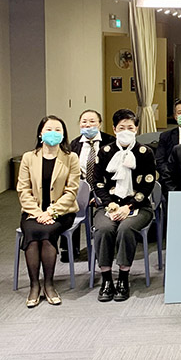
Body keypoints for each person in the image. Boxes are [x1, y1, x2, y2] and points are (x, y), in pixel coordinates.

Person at [93, 109, 157, 302]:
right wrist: (110, 204)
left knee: (125, 229)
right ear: (114, 129)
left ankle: (123, 277)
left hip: (138, 206)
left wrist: (128, 206)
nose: (126, 131)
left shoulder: (145, 152)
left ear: (136, 129)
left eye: (130, 127)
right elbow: (98, 183)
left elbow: (148, 183)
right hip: (109, 206)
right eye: (122, 128)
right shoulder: (105, 152)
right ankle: (106, 279)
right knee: (104, 229)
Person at [17, 115, 79, 307]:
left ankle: (49, 285)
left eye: (58, 130)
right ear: (40, 133)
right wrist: (38, 213)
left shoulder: (71, 158)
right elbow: (23, 190)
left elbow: (71, 191)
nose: (53, 133)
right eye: (49, 129)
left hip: (62, 212)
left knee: (46, 233)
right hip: (33, 212)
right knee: (33, 234)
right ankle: (34, 285)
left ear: (64, 134)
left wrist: (51, 212)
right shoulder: (28, 157)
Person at [65, 109, 113, 262]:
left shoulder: (110, 141)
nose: (88, 125)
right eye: (84, 121)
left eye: (92, 121)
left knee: (104, 213)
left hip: (105, 187)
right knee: (70, 205)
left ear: (100, 124)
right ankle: (69, 249)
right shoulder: (74, 144)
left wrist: (99, 193)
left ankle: (103, 248)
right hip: (81, 187)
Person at [155, 99, 181, 178]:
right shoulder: (166, 136)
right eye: (180, 112)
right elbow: (160, 161)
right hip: (171, 178)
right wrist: (170, 174)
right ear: (175, 116)